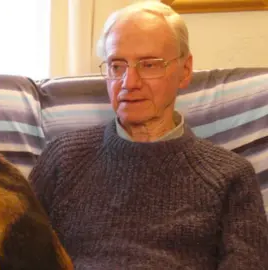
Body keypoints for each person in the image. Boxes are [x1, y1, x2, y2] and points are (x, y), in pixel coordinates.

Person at [29, 2, 268, 269]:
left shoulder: (230, 177)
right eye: (117, 66)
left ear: (185, 70)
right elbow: (11, 247)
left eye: (149, 65)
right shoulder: (62, 158)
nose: (129, 83)